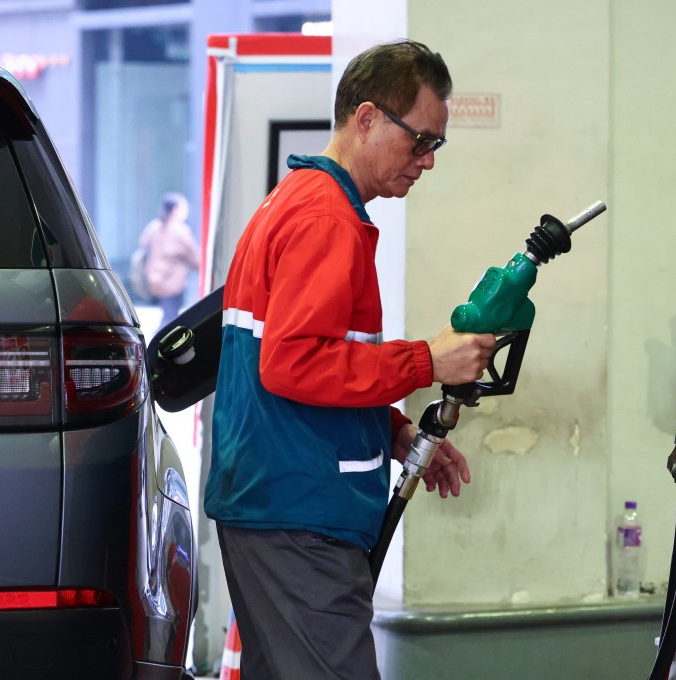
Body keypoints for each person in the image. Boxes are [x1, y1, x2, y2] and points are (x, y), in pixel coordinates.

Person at [205, 40, 496, 679]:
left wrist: (393, 430)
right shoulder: (325, 220)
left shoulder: (300, 202)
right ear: (365, 119)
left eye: (435, 146)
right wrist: (427, 361)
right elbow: (293, 363)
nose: (426, 161)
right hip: (299, 514)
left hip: (277, 503)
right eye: (420, 140)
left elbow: (318, 361)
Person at [138, 191, 201, 328]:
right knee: (169, 319)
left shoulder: (154, 226)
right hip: (171, 282)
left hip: (154, 279)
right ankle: (156, 346)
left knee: (168, 316)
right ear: (175, 209)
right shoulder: (180, 230)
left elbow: (143, 243)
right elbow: (194, 257)